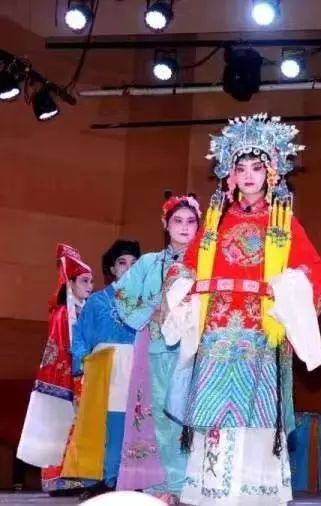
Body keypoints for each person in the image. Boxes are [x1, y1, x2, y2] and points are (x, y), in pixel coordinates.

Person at [162, 113, 321, 506]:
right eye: (241, 168)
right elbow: (186, 267)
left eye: (257, 167)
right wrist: (181, 283)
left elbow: (315, 273)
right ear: (231, 175)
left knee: (255, 417)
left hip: (260, 334)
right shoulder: (214, 222)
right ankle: (214, 492)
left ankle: (253, 493)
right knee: (214, 414)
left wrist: (290, 286)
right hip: (216, 333)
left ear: (271, 173)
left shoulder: (283, 222)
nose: (249, 175)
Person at [114, 194, 201, 504]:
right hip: (155, 347)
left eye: (191, 221)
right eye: (177, 221)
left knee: (190, 416)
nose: (184, 227)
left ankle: (189, 484)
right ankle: (162, 485)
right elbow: (122, 296)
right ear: (165, 224)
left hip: (195, 349)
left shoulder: (207, 261)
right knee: (160, 416)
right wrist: (155, 308)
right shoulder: (149, 263)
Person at [17, 244, 95, 494]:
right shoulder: (63, 313)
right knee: (61, 424)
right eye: (84, 281)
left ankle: (80, 477)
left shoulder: (86, 310)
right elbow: (61, 347)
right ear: (70, 283)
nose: (90, 286)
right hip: (67, 377)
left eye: (91, 281)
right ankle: (60, 479)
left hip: (86, 377)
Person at [69, 240, 141, 497]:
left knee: (132, 423)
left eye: (134, 263)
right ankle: (99, 479)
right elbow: (80, 336)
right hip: (103, 367)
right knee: (101, 424)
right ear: (112, 268)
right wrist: (82, 361)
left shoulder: (145, 303)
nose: (128, 268)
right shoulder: (97, 301)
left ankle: (127, 477)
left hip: (135, 366)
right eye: (122, 262)